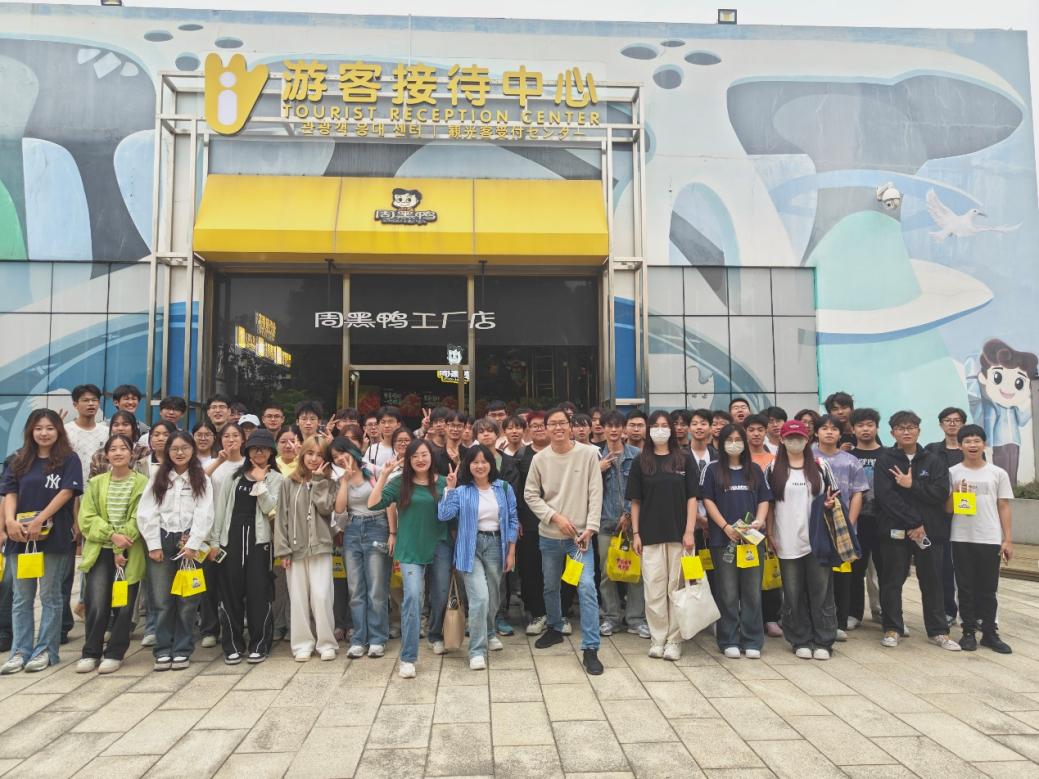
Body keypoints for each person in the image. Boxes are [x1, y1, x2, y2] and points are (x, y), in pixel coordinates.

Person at [0, 410, 82, 674]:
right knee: (21, 598)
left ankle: (46, 650)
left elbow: (67, 492)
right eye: (38, 428)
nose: (44, 433)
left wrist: (40, 520)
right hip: (20, 537)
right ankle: (20, 651)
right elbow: (9, 492)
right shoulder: (18, 459)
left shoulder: (69, 459)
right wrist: (10, 522)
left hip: (52, 537)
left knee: (50, 595)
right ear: (30, 431)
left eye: (49, 428)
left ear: (58, 430)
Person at [524, 406, 605, 675]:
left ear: (570, 426)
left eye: (562, 423)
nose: (558, 428)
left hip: (580, 538)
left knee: (587, 587)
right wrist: (554, 517)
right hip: (550, 536)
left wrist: (591, 528)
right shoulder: (540, 459)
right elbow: (530, 494)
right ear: (545, 429)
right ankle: (555, 627)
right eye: (552, 424)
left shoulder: (588, 454)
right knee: (550, 585)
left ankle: (591, 647)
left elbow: (595, 492)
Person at [874, 411, 958, 651]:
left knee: (932, 580)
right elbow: (886, 497)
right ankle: (892, 628)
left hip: (929, 532)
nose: (906, 432)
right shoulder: (885, 460)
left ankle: (938, 631)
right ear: (892, 433)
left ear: (919, 431)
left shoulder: (934, 460)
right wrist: (914, 522)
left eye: (911, 427)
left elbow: (940, 493)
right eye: (901, 428)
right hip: (896, 531)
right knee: (892, 580)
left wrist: (912, 485)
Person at [368, 439, 451, 679]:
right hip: (410, 547)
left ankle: (434, 634)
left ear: (431, 456)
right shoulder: (399, 483)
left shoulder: (444, 482)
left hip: (440, 545)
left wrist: (453, 489)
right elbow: (373, 503)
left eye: (424, 454)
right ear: (408, 460)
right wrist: (384, 475)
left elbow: (453, 513)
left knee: (440, 595)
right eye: (415, 456)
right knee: (413, 597)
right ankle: (408, 657)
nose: (420, 459)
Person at [136, 431, 214, 671]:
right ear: (167, 452)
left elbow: (205, 512)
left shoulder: (201, 478)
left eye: (185, 448)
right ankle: (162, 649)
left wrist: (193, 544)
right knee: (161, 599)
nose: (180, 453)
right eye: (174, 449)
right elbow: (147, 512)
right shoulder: (158, 477)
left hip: (188, 542)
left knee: (188, 599)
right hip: (162, 539)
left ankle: (182, 649)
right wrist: (153, 544)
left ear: (192, 450)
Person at [438, 444, 519, 670]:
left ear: (491, 464)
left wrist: (511, 551)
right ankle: (476, 651)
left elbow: (513, 519)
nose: (480, 466)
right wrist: (450, 489)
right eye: (475, 462)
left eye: (484, 461)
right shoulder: (462, 491)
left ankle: (490, 631)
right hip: (469, 548)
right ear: (468, 465)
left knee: (493, 598)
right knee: (480, 598)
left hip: (496, 545)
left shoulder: (503, 488)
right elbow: (444, 515)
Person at [627, 411, 698, 660]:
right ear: (648, 430)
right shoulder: (641, 461)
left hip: (680, 535)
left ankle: (675, 640)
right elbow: (635, 501)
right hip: (649, 535)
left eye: (664, 425)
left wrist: (689, 531)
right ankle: (658, 638)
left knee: (677, 589)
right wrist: (636, 533)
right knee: (654, 589)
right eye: (655, 425)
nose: (660, 429)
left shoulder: (684, 459)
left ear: (672, 429)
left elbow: (692, 498)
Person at [209, 429, 284, 664]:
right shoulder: (233, 476)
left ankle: (259, 644)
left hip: (259, 542)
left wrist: (261, 482)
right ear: (247, 450)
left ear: (271, 452)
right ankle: (232, 645)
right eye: (254, 448)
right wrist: (214, 542)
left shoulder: (277, 479)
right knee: (229, 594)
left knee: (259, 593)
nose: (259, 452)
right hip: (230, 539)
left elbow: (271, 509)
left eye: (263, 448)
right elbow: (221, 510)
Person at [76, 434, 149, 674]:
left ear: (132, 453)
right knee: (96, 603)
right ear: (106, 455)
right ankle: (91, 652)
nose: (118, 453)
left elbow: (140, 517)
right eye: (113, 449)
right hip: (100, 552)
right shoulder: (96, 483)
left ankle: (115, 652)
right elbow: (87, 518)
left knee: (124, 605)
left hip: (129, 553)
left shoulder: (142, 483)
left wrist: (120, 544)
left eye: (123, 448)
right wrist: (112, 536)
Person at [766, 420, 838, 660]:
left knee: (821, 592)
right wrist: (770, 534)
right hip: (786, 539)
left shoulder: (820, 465)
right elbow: (768, 505)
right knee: (792, 593)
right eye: (790, 437)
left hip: (818, 539)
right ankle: (800, 639)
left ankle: (824, 640)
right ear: (782, 440)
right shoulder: (773, 468)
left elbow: (834, 497)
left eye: (799, 437)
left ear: (808, 440)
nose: (795, 441)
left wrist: (830, 504)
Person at [274, 436, 348, 662]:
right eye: (310, 453)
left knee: (322, 596)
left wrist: (317, 481)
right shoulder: (288, 482)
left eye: (319, 455)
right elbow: (281, 517)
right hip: (295, 549)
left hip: (321, 547)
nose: (314, 459)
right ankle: (302, 643)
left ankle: (326, 642)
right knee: (298, 598)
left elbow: (325, 508)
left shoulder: (330, 483)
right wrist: (283, 549)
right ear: (302, 454)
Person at [701, 423, 771, 659]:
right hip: (724, 540)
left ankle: (752, 639)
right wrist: (724, 526)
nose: (734, 444)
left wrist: (759, 521)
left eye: (737, 439)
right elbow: (708, 500)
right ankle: (728, 639)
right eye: (729, 440)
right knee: (727, 592)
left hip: (751, 541)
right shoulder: (712, 469)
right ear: (721, 443)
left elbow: (764, 499)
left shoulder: (755, 470)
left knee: (752, 591)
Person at [948, 424, 1013, 653]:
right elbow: (946, 508)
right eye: (967, 441)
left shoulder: (998, 473)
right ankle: (967, 632)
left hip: (989, 537)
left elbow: (1003, 506)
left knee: (988, 588)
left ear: (984, 444)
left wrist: (1007, 539)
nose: (972, 445)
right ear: (960, 446)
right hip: (961, 537)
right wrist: (955, 492)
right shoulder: (952, 472)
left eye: (977, 441)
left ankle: (989, 633)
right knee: (965, 587)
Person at [333, 438, 392, 659]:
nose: (340, 458)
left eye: (342, 452)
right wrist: (345, 481)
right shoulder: (340, 478)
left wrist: (393, 533)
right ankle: (359, 638)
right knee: (355, 589)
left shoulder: (374, 470)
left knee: (376, 589)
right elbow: (340, 510)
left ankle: (377, 638)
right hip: (352, 529)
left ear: (353, 450)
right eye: (335, 457)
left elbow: (388, 503)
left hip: (377, 527)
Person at [813, 415, 868, 641]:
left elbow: (857, 494)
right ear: (816, 432)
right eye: (824, 428)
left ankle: (840, 622)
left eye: (834, 429)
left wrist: (850, 523)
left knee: (842, 577)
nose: (829, 432)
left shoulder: (850, 461)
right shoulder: (808, 457)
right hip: (815, 526)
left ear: (840, 433)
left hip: (842, 528)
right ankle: (816, 621)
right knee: (817, 576)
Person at [596, 410, 646, 638]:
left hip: (633, 523)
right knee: (607, 572)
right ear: (603, 428)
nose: (614, 430)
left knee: (636, 572)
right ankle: (611, 618)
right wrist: (598, 470)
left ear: (623, 429)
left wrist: (628, 513)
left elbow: (641, 489)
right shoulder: (594, 455)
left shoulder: (637, 455)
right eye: (609, 426)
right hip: (605, 523)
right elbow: (587, 489)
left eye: (618, 426)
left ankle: (635, 619)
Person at [926, 406, 968, 631]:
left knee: (965, 565)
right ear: (941, 424)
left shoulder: (970, 449)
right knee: (943, 567)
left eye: (957, 420)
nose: (952, 424)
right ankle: (948, 610)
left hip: (965, 514)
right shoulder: (932, 450)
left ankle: (970, 612)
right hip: (939, 516)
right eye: (948, 420)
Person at [744, 413, 782, 638]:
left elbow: (772, 499)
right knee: (747, 574)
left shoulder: (774, 460)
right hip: (741, 525)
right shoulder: (739, 459)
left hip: (768, 523)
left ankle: (771, 618)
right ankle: (750, 619)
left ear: (766, 431)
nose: (756, 434)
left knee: (770, 571)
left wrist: (769, 529)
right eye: (751, 430)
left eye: (760, 429)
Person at [514, 411, 549, 636]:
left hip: (557, 522)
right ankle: (537, 612)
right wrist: (516, 518)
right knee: (530, 569)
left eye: (543, 425)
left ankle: (558, 612)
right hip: (528, 522)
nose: (539, 429)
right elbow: (516, 491)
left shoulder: (560, 452)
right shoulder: (521, 456)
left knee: (556, 570)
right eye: (534, 426)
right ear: (528, 429)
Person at [849, 408, 884, 627]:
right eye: (860, 425)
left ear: (877, 428)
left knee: (885, 570)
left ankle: (888, 613)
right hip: (857, 521)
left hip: (882, 521)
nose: (865, 429)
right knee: (855, 570)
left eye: (870, 425)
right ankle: (854, 613)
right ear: (853, 429)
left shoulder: (889, 455)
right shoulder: (848, 457)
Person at [66, 384, 109, 484]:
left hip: (100, 485)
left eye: (94, 400)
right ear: (75, 405)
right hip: (72, 485)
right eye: (85, 400)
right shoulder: (65, 431)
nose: (91, 404)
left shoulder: (107, 432)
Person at [88, 410, 150, 479]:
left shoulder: (143, 452)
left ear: (133, 428)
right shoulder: (99, 455)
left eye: (125, 425)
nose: (120, 428)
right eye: (116, 425)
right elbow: (92, 481)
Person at [364, 406, 402, 475]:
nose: (386, 425)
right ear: (378, 425)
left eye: (390, 421)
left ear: (398, 424)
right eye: (383, 422)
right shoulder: (372, 449)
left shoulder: (404, 448)